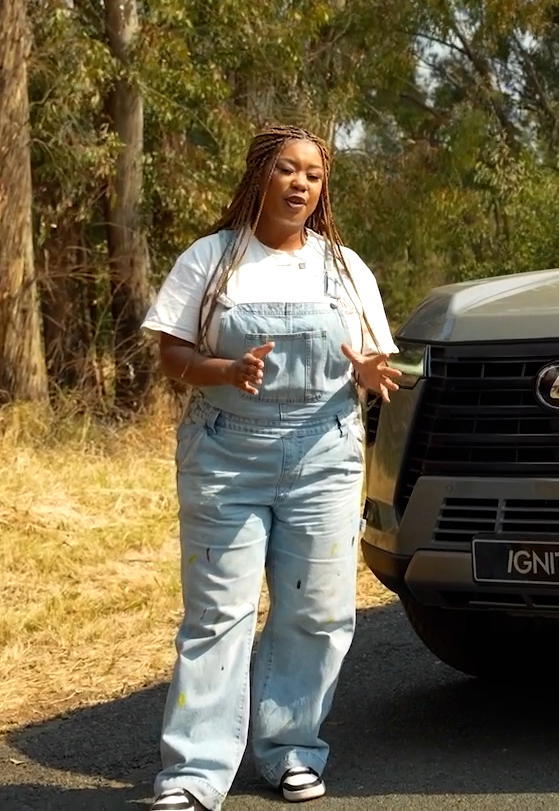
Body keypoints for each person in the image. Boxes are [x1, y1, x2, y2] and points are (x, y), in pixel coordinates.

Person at [141, 124, 399, 810]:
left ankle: (292, 749)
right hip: (225, 456)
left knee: (317, 611)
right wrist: (223, 370)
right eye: (287, 169)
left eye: (313, 174)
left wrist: (371, 371)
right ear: (259, 174)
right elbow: (171, 355)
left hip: (324, 457)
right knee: (216, 615)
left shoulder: (344, 268)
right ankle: (193, 774)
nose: (300, 184)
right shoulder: (211, 259)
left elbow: (374, 358)